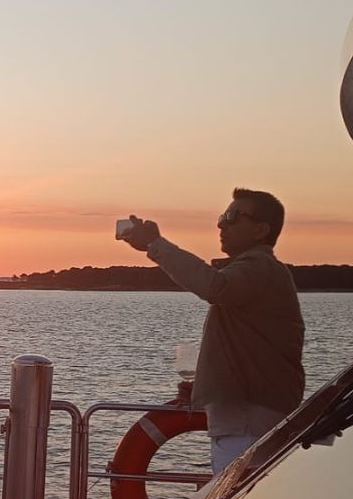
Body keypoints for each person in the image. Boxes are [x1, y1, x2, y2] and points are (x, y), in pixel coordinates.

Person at [119, 188, 304, 473]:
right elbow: (249, 350)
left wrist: (155, 244)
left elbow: (214, 287)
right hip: (245, 418)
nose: (221, 224)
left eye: (233, 216)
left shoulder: (259, 267)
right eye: (222, 216)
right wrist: (206, 385)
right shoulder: (254, 275)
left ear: (261, 230)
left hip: (247, 424)